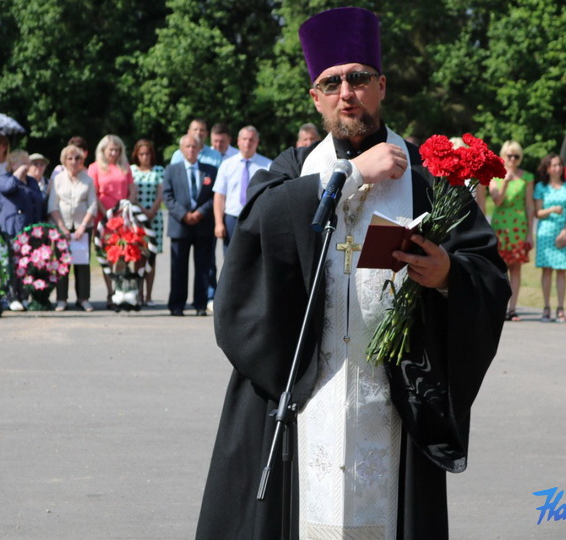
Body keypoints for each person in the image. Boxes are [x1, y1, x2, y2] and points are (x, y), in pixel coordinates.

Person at [195, 7, 510, 540]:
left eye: (359, 78)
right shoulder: (295, 170)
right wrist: (347, 174)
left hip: (390, 406)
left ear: (381, 86)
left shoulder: (426, 177)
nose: (347, 91)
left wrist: (448, 273)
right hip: (307, 400)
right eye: (331, 82)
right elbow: (255, 235)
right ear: (315, 98)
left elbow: (488, 275)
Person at [163, 134, 217, 316]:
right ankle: (177, 304)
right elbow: (167, 197)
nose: (191, 150)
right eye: (187, 147)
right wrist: (184, 214)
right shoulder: (171, 170)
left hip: (202, 224)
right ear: (181, 149)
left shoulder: (210, 170)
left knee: (203, 267)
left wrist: (200, 212)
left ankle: (200, 304)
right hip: (180, 225)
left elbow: (214, 197)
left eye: (194, 147)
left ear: (199, 149)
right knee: (178, 267)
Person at [89, 134, 137, 308]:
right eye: (111, 150)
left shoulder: (125, 166)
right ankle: (110, 292)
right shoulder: (95, 168)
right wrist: (107, 214)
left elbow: (132, 188)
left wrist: (128, 206)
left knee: (123, 255)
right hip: (105, 219)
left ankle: (121, 291)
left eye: (117, 150)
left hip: (123, 218)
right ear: (103, 150)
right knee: (108, 256)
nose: (114, 153)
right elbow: (94, 193)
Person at [489, 140, 535, 321]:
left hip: (519, 226)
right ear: (503, 156)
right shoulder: (495, 176)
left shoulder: (527, 177)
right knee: (500, 268)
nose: (513, 159)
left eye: (516, 156)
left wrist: (530, 233)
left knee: (516, 269)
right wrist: (506, 182)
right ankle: (499, 306)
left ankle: (512, 309)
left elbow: (530, 206)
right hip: (501, 226)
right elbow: (497, 201)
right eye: (509, 155)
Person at [48, 144, 97, 312]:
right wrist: (62, 227)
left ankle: (83, 298)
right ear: (64, 160)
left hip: (82, 227)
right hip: (63, 226)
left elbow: (92, 205)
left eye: (77, 158)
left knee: (82, 263)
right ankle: (61, 298)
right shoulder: (58, 179)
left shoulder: (87, 179)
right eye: (70, 158)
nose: (74, 161)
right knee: (62, 263)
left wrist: (83, 226)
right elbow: (52, 205)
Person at [0, 150, 45, 312]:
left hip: (29, 227)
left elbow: (38, 201)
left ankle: (24, 296)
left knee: (26, 263)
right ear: (12, 164)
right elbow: (8, 188)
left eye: (27, 162)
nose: (26, 165)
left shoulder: (32, 182)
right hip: (11, 228)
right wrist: (17, 174)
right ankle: (11, 297)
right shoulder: (5, 178)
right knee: (11, 263)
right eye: (21, 161)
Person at [534, 153, 566, 322]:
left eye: (559, 164)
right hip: (546, 232)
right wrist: (552, 209)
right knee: (547, 270)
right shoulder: (541, 187)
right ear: (547, 168)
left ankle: (560, 307)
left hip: (564, 232)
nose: (557, 168)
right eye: (553, 165)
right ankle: (546, 307)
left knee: (562, 270)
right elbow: (538, 213)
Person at [213, 126, 272, 251]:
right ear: (238, 141)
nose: (247, 143)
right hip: (232, 219)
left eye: (251, 140)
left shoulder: (267, 165)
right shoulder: (227, 164)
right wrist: (219, 223)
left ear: (257, 142)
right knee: (230, 260)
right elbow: (219, 196)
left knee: (255, 260)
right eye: (244, 139)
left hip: (257, 219)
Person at [130, 139, 165, 306]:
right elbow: (132, 195)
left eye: (148, 153)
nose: (145, 157)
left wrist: (152, 210)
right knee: (137, 256)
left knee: (151, 257)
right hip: (137, 219)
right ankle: (138, 293)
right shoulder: (132, 171)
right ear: (137, 155)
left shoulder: (158, 170)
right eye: (142, 154)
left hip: (154, 218)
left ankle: (149, 295)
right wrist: (143, 211)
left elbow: (161, 193)